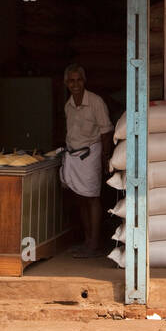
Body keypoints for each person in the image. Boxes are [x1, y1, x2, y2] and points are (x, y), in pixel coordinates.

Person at [59, 64, 113, 258]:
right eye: (71, 81)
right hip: (74, 155)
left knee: (92, 197)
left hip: (91, 153)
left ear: (84, 81)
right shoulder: (68, 105)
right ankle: (88, 240)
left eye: (79, 80)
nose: (75, 84)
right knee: (80, 197)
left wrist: (105, 157)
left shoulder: (96, 102)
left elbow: (106, 132)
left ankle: (94, 244)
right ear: (66, 83)